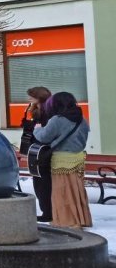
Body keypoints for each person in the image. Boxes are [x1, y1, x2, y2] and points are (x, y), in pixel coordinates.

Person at [33, 92, 92, 230]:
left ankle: (67, 220)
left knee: (62, 190)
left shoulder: (57, 120)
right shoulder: (82, 119)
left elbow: (44, 137)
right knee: (76, 190)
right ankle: (81, 218)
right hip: (78, 159)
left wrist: (37, 129)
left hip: (61, 160)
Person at [21, 86, 53, 222]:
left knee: (44, 183)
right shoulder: (35, 110)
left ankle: (48, 212)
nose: (29, 98)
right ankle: (45, 210)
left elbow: (45, 132)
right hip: (35, 149)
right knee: (38, 182)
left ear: (40, 97)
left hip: (43, 151)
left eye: (32, 96)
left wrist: (36, 128)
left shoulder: (49, 112)